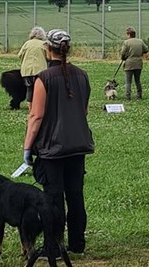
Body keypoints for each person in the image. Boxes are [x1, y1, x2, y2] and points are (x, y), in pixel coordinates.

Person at [23, 29, 95, 255]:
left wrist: (27, 147)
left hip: (52, 148)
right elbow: (83, 111)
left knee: (53, 199)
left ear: (47, 49)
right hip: (78, 145)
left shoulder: (43, 79)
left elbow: (36, 116)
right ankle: (77, 244)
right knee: (76, 196)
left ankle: (54, 246)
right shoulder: (82, 75)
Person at [16, 26, 48, 104]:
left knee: (29, 89)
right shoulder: (44, 44)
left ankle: (30, 107)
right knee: (41, 89)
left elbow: (19, 55)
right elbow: (49, 56)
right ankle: (40, 106)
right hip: (40, 71)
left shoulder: (27, 43)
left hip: (27, 70)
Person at [120, 27, 149, 100]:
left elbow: (123, 53)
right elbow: (146, 50)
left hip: (129, 63)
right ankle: (139, 96)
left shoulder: (126, 42)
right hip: (138, 63)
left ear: (129, 34)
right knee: (137, 80)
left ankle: (128, 97)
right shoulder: (140, 41)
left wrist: (123, 58)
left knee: (128, 81)